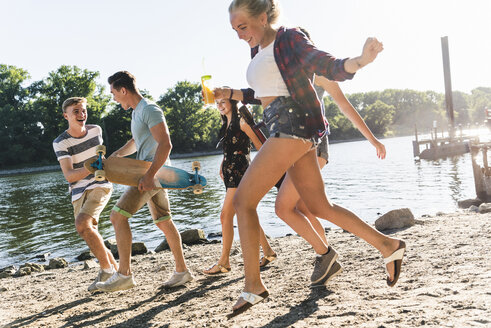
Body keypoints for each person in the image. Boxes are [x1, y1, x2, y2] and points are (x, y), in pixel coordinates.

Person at [220, 0, 406, 317]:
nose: (239, 35)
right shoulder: (258, 49)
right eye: (235, 29)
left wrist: (360, 60)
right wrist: (232, 93)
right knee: (320, 206)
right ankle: (389, 246)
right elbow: (264, 92)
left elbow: (327, 65)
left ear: (263, 18)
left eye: (243, 27)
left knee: (243, 202)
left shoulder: (290, 38)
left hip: (293, 129)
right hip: (289, 132)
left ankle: (253, 285)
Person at [274, 27, 387, 286]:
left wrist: (373, 139)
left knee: (285, 207)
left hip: (314, 144)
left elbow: (345, 106)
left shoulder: (318, 73)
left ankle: (326, 255)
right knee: (302, 206)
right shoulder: (284, 73)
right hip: (292, 145)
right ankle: (325, 255)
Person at [96, 71, 194, 292]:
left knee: (117, 217)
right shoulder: (137, 113)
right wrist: (115, 157)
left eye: (113, 93)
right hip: (152, 173)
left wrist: (150, 176)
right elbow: (136, 141)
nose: (113, 98)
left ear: (123, 90)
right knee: (163, 221)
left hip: (152, 174)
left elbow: (165, 144)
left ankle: (124, 274)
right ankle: (182, 272)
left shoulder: (149, 109)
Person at [203, 96, 277, 275]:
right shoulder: (225, 122)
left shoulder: (242, 121)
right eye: (217, 103)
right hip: (229, 171)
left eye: (223, 102)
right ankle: (268, 251)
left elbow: (261, 145)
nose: (220, 106)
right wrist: (223, 162)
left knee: (225, 215)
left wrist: (259, 171)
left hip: (240, 171)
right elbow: (229, 147)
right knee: (246, 213)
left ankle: (224, 262)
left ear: (232, 102)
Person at [53, 97, 117, 292]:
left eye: (83, 111)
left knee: (82, 224)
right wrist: (91, 166)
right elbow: (69, 176)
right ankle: (118, 272)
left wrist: (97, 166)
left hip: (101, 183)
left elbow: (102, 160)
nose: (81, 115)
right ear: (66, 116)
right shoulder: (60, 142)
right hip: (78, 190)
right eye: (76, 112)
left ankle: (106, 270)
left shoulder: (96, 130)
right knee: (88, 231)